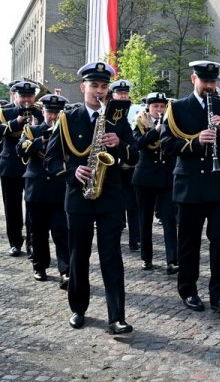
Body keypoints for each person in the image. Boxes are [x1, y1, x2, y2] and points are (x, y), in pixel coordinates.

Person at [45, 62, 137, 334]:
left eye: (103, 86)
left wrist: (118, 145)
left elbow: (135, 157)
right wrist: (73, 172)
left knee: (112, 257)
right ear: (83, 87)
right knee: (79, 255)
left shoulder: (117, 120)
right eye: (93, 85)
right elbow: (50, 160)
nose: (98, 90)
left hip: (109, 196)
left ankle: (117, 316)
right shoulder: (67, 119)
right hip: (78, 197)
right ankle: (78, 309)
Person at [161, 61, 220, 318]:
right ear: (194, 79)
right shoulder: (177, 108)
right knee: (189, 242)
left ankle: (219, 295)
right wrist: (195, 142)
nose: (209, 86)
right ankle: (188, 290)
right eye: (205, 81)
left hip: (219, 186)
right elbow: (166, 144)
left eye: (213, 82)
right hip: (190, 185)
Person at [18, 94, 71, 286]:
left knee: (61, 232)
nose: (54, 116)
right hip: (37, 189)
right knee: (38, 232)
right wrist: (42, 139)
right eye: (50, 112)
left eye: (57, 113)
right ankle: (40, 266)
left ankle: (66, 270)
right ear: (43, 112)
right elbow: (21, 149)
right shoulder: (32, 130)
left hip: (58, 189)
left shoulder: (68, 133)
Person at [0, 81, 43, 257]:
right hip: (10, 167)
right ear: (15, 95)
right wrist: (17, 121)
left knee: (33, 209)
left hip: (34, 167)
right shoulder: (5, 113)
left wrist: (37, 126)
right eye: (23, 96)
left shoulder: (40, 112)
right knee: (12, 208)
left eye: (30, 96)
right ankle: (15, 242)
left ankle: (32, 245)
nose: (27, 99)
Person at [132, 92, 178, 274]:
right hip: (145, 177)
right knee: (145, 219)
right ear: (148, 108)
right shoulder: (139, 122)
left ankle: (172, 260)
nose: (159, 109)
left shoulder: (172, 123)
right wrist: (156, 131)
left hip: (166, 176)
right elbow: (138, 144)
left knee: (169, 218)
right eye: (155, 106)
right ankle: (146, 257)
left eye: (162, 106)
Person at [110, 79, 140, 253]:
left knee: (132, 204)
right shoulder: (109, 112)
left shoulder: (135, 111)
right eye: (120, 93)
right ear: (113, 95)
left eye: (125, 93)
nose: (123, 96)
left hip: (129, 166)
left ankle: (134, 239)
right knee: (117, 204)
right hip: (114, 166)